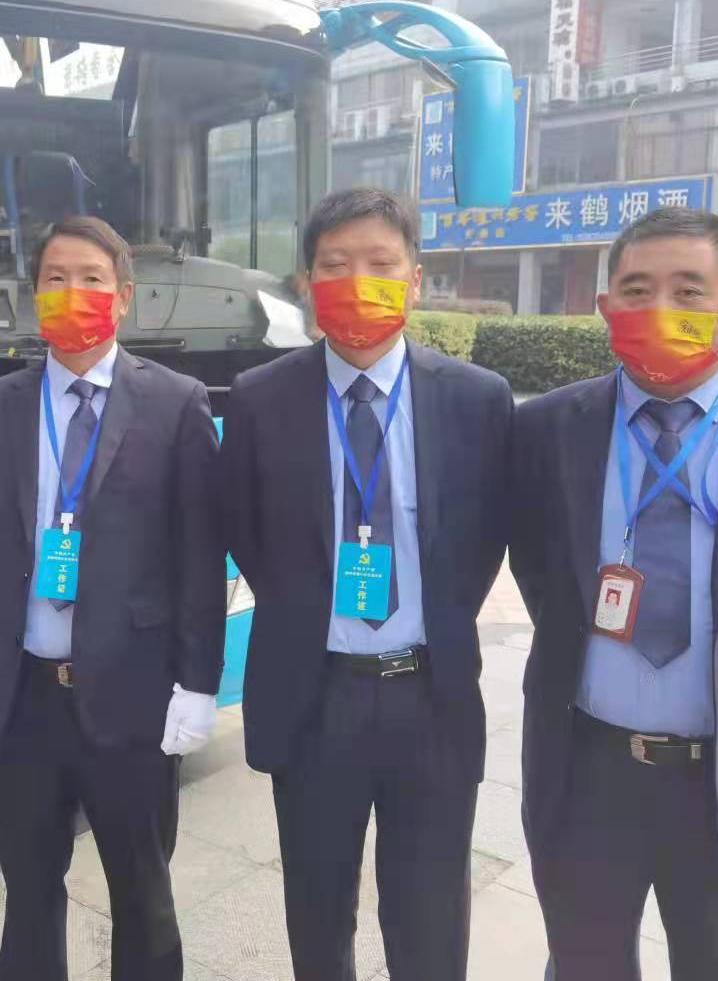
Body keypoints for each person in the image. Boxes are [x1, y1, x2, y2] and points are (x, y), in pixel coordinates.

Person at [511, 207, 718, 981]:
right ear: (605, 308)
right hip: (588, 775)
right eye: (636, 291)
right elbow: (541, 575)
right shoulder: (547, 429)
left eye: (689, 292)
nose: (660, 310)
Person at [220, 187, 513, 981]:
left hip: (430, 697)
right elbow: (246, 532)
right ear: (306, 283)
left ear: (414, 279)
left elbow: (484, 540)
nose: (358, 282)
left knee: (430, 921)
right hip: (313, 697)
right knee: (318, 917)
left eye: (381, 264)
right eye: (336, 265)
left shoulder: (477, 400)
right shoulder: (260, 399)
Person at [0, 215, 225, 981]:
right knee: (30, 895)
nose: (73, 293)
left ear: (123, 296)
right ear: (33, 297)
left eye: (91, 279)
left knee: (143, 897)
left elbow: (199, 559)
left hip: (133, 699)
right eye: (55, 279)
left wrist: (199, 683)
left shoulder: (176, 404)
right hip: (21, 701)